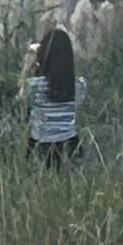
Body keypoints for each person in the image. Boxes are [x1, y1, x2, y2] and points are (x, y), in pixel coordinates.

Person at [25, 26, 85, 168]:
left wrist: (28, 68)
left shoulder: (34, 85)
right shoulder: (79, 85)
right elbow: (78, 109)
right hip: (70, 145)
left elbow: (22, 103)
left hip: (40, 145)